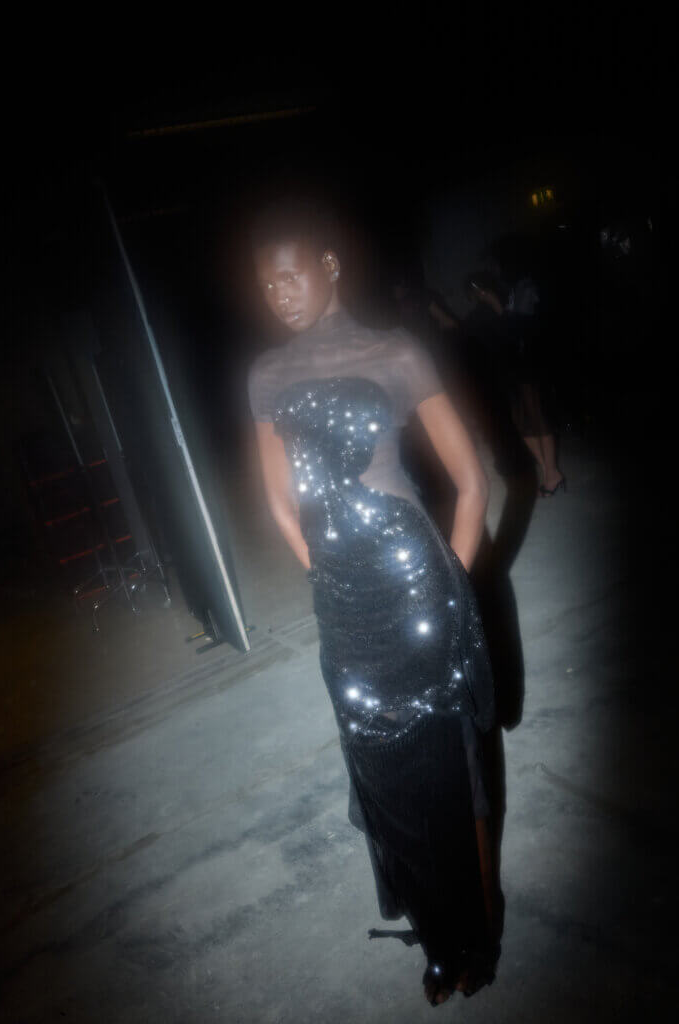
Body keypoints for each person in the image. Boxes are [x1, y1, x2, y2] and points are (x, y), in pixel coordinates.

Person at [246, 200, 499, 1006]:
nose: (279, 293)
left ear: (328, 266)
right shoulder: (265, 375)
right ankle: (436, 935)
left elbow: (472, 483)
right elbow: (279, 503)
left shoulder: (394, 351)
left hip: (418, 588)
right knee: (385, 784)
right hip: (345, 609)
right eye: (266, 284)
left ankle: (479, 932)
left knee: (452, 777)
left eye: (291, 276)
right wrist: (326, 577)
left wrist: (449, 586)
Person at [463, 272, 565, 496]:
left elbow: (517, 332)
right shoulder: (479, 313)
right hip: (506, 371)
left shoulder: (514, 296)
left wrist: (497, 305)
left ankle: (551, 474)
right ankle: (549, 471)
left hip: (525, 364)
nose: (477, 292)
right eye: (473, 289)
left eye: (478, 287)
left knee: (538, 419)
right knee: (522, 423)